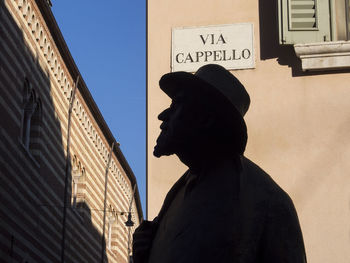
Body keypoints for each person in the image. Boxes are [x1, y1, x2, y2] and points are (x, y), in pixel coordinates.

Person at [133, 64, 307, 263]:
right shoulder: (176, 197)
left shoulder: (265, 201)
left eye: (177, 105)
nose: (163, 116)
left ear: (206, 118)